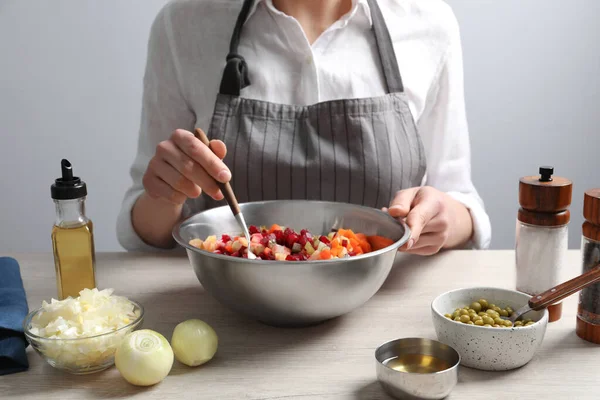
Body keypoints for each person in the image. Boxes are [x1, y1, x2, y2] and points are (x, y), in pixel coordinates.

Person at [117, 0, 492, 255]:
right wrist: (165, 194)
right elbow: (142, 229)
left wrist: (445, 215)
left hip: (385, 312)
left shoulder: (428, 22)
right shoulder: (184, 23)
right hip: (224, 311)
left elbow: (460, 200)